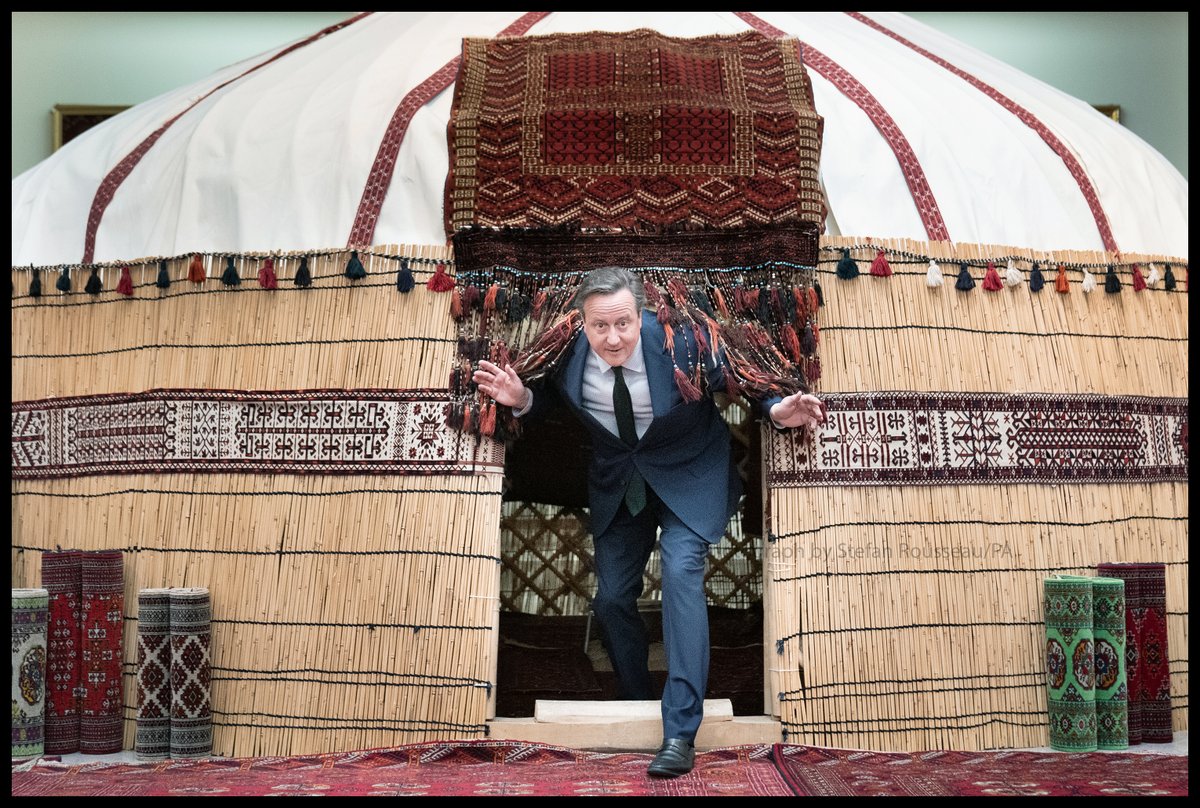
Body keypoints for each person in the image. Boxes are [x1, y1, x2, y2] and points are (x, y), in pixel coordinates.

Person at [473, 267, 824, 778]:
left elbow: (743, 379)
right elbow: (545, 395)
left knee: (682, 570)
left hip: (689, 472)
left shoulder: (684, 344)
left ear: (640, 315)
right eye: (599, 327)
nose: (612, 338)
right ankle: (634, 696)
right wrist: (520, 399)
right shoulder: (568, 352)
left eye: (622, 324)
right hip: (621, 480)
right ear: (582, 323)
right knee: (612, 597)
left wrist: (776, 411)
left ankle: (680, 729)